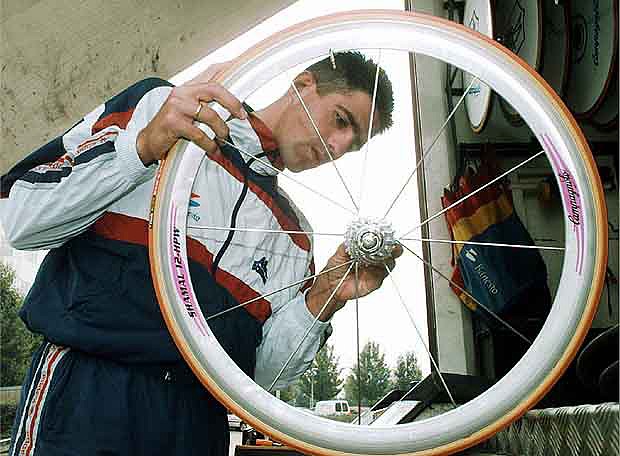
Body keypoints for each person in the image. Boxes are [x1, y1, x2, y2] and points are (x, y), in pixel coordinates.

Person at [1, 51, 396, 455]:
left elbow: (258, 376)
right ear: (302, 84)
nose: (338, 145)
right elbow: (21, 219)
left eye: (354, 144)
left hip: (198, 422)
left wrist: (323, 297)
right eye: (341, 120)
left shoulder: (295, 237)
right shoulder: (168, 109)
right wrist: (139, 148)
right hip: (91, 392)